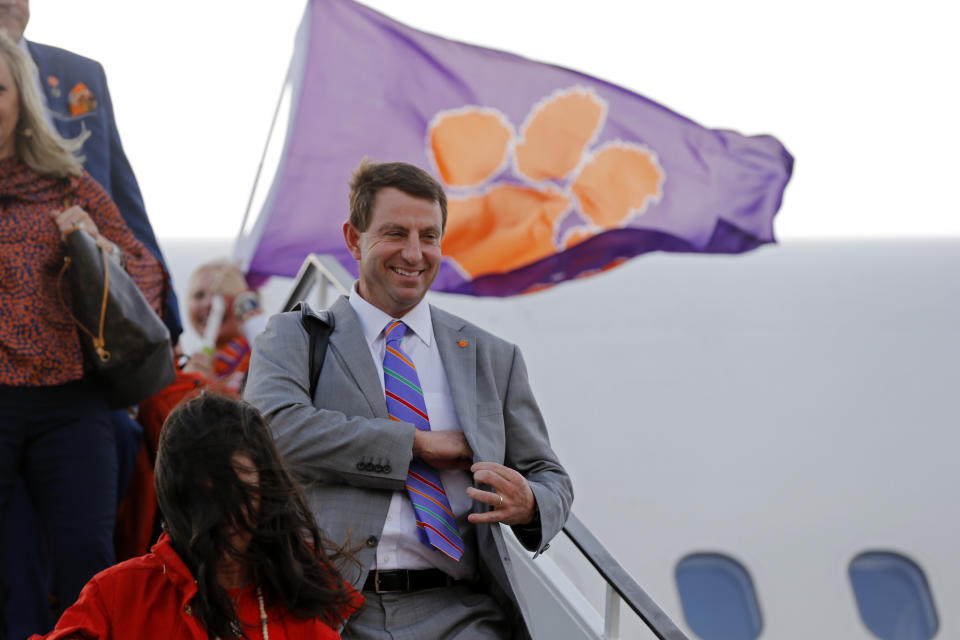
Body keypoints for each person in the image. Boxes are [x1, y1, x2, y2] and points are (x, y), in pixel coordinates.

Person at [244, 160, 573, 638]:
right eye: (395, 233)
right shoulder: (295, 337)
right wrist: (415, 445)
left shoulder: (491, 358)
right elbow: (272, 431)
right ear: (354, 239)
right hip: (330, 613)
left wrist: (530, 504)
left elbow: (550, 475)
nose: (415, 253)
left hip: (460, 615)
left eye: (430, 236)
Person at [0, 29, 164, 640]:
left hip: (73, 400)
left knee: (88, 563)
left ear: (23, 102)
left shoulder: (69, 184)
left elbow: (144, 266)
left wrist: (101, 259)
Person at [33, 393, 362, 640]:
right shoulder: (119, 594)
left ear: (266, 485)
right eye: (206, 493)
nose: (226, 510)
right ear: (176, 496)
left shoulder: (303, 592)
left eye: (242, 487)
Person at [114, 260, 267, 561]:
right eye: (199, 296)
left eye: (223, 296)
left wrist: (204, 386)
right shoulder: (182, 368)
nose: (210, 304)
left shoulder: (262, 357)